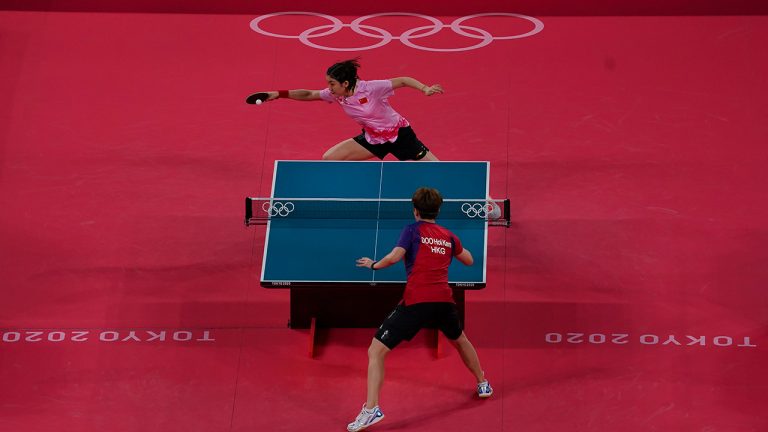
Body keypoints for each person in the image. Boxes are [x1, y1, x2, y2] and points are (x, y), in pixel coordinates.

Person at [348, 187, 493, 432]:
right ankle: (483, 383)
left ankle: (372, 409)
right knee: (460, 340)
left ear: (415, 211)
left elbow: (394, 257)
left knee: (376, 351)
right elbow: (468, 260)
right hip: (444, 302)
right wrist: (453, 248)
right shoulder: (448, 235)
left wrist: (373, 264)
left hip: (416, 303)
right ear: (438, 210)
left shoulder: (412, 230)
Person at [255, 58, 443, 161]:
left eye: (332, 83)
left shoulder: (370, 88)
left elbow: (402, 80)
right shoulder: (337, 94)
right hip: (373, 139)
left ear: (345, 83)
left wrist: (424, 88)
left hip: (400, 135)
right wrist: (277, 94)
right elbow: (309, 94)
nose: (329, 87)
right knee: (329, 158)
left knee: (437, 169)